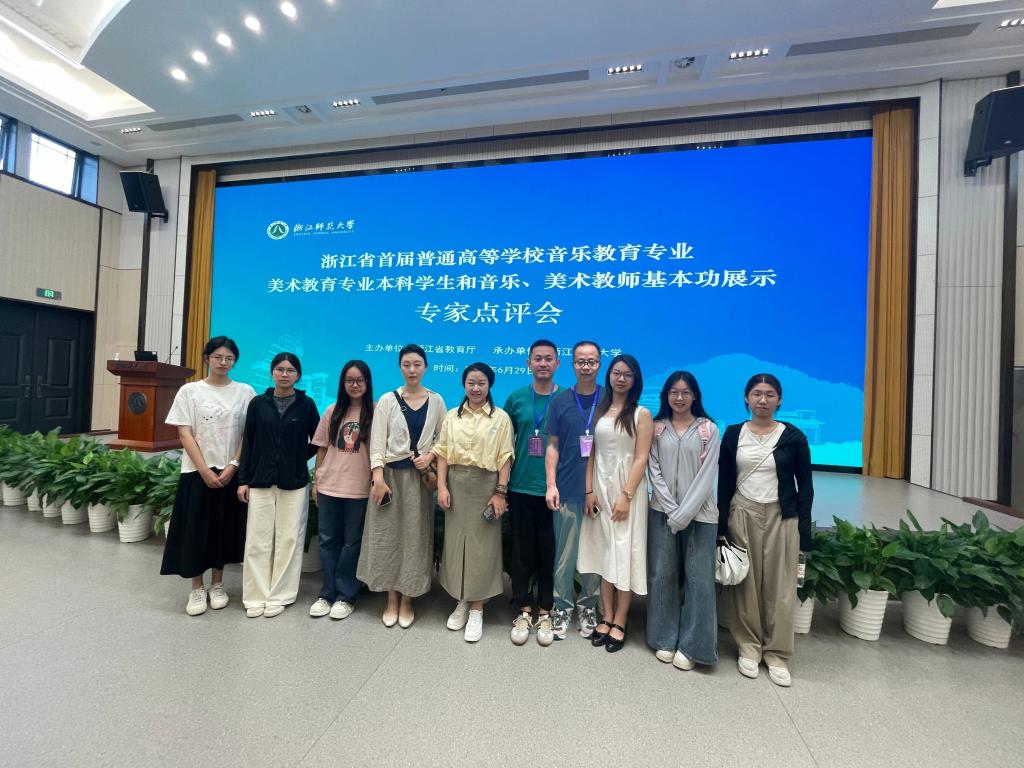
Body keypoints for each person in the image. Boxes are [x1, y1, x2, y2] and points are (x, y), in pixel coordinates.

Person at [718, 373, 814, 687]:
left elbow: (805, 487)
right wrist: (721, 524)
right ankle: (748, 646)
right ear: (746, 398)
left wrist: (803, 531)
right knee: (745, 585)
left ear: (779, 400)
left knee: (781, 587)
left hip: (781, 516)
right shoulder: (733, 434)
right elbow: (724, 481)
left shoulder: (793, 437)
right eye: (757, 393)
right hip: (743, 512)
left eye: (770, 394)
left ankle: (777, 653)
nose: (763, 400)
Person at [160, 336, 255, 616]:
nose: (223, 362)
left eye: (229, 358)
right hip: (196, 472)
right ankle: (196, 588)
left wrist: (233, 466)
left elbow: (247, 434)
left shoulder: (245, 391)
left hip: (230, 471)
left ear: (235, 361)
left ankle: (217, 584)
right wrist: (204, 470)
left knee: (223, 529)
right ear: (207, 359)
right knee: (195, 530)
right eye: (217, 357)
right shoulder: (190, 391)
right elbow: (184, 432)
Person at [357, 344, 446, 629]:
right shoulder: (387, 400)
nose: (412, 369)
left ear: (425, 367)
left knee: (414, 539)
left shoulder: (436, 401)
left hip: (419, 480)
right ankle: (391, 599)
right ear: (400, 367)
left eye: (417, 364)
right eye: (406, 364)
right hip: (389, 478)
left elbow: (444, 439)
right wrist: (377, 478)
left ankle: (408, 599)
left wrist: (430, 456)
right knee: (386, 537)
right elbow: (377, 443)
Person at [578, 354, 653, 653]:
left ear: (635, 380)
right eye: (617, 373)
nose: (621, 379)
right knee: (604, 552)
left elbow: (641, 458)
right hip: (600, 489)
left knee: (624, 553)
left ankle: (620, 619)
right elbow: (591, 454)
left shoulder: (641, 414)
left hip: (626, 493)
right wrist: (588, 491)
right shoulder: (599, 411)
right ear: (609, 376)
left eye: (628, 374)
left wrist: (626, 495)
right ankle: (606, 615)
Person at [646, 371, 720, 670]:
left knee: (699, 581)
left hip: (700, 516)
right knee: (661, 576)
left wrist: (683, 514)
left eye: (685, 392)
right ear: (666, 395)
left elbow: (706, 478)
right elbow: (653, 470)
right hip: (662, 512)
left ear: (695, 396)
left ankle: (693, 647)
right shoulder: (656, 428)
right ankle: (663, 638)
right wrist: (671, 510)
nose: (679, 397)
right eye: (674, 392)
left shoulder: (708, 430)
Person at [435, 363, 514, 642]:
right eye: (471, 382)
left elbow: (505, 457)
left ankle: (478, 607)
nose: (476, 388)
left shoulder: (500, 418)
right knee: (457, 544)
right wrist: (441, 486)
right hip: (456, 483)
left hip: (486, 485)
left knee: (483, 547)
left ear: (489, 385)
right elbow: (442, 454)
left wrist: (500, 492)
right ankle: (462, 600)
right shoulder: (451, 416)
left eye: (481, 383)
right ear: (464, 384)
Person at [237, 352, 319, 618]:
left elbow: (319, 440)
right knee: (257, 539)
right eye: (280, 369)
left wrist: (296, 457)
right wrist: (243, 480)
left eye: (290, 370)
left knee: (289, 539)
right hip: (260, 480)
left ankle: (281, 594)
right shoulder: (258, 404)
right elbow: (248, 442)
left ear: (298, 375)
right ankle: (255, 595)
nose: (285, 374)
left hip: (294, 482)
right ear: (272, 372)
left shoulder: (306, 405)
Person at [544, 340, 603, 640]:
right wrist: (551, 484)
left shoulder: (609, 399)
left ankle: (588, 606)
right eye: (581, 361)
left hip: (599, 492)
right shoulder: (561, 400)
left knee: (594, 553)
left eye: (591, 361)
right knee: (565, 556)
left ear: (599, 364)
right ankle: (562, 607)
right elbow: (552, 446)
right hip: (566, 488)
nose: (586, 366)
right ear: (572, 364)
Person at [502, 340, 560, 647]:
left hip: (554, 490)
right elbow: (504, 443)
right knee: (522, 552)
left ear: (557, 363)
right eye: (537, 358)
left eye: (548, 358)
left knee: (549, 553)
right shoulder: (516, 398)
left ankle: (546, 611)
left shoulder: (566, 398)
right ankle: (524, 609)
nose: (543, 363)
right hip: (521, 486)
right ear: (528, 363)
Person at [308, 361, 373, 621]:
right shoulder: (332, 410)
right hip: (330, 486)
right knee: (327, 540)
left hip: (359, 489)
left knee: (351, 543)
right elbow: (322, 449)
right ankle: (326, 593)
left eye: (359, 380)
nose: (355, 385)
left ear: (367, 383)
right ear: (343, 383)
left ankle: (347, 595)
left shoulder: (376, 412)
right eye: (349, 380)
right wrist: (317, 481)